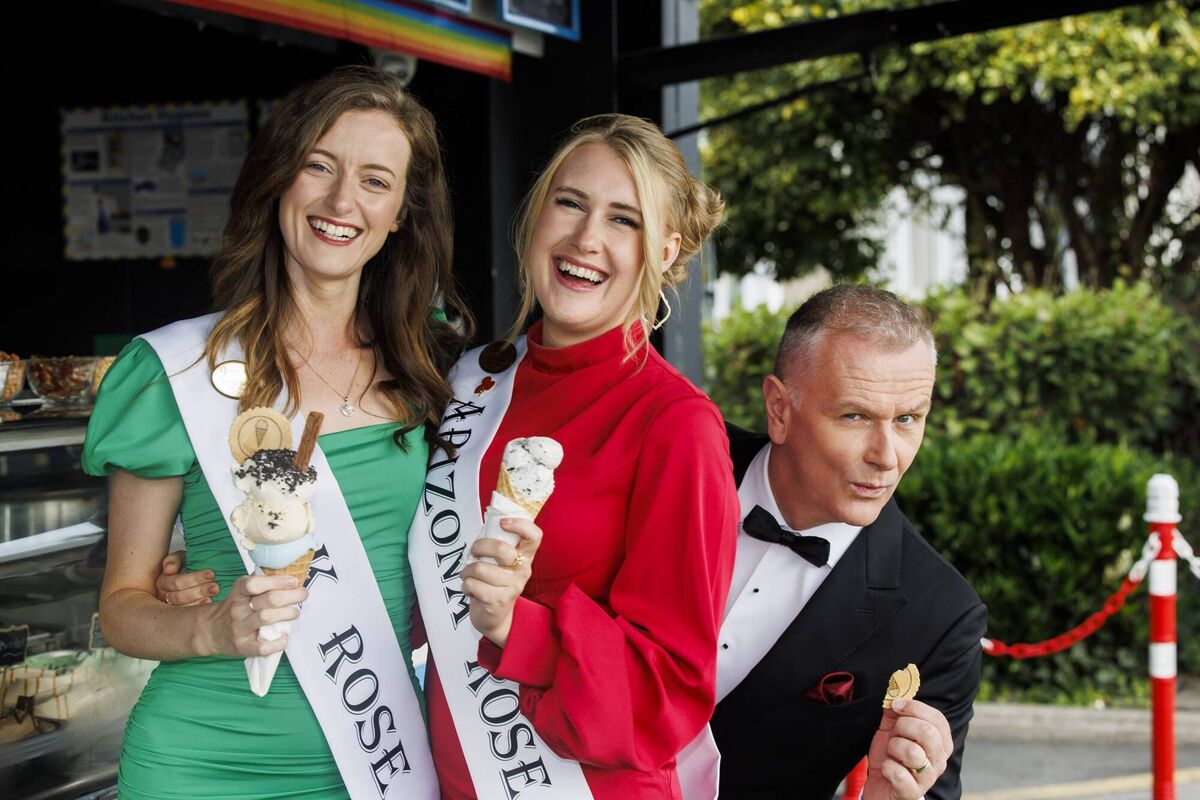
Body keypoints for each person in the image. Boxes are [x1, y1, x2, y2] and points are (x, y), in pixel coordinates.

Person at [84, 66, 469, 799]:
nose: (339, 201)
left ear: (402, 217)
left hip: (375, 755)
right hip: (201, 761)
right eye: (318, 165)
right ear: (278, 181)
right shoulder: (177, 371)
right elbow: (122, 607)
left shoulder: (434, 379)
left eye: (375, 181)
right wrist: (211, 628)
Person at [406, 114, 739, 800]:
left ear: (666, 249)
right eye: (570, 203)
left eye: (625, 219)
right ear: (535, 218)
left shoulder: (676, 426)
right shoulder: (471, 382)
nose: (586, 239)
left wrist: (514, 626)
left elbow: (668, 688)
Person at [681, 285, 986, 800]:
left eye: (908, 419)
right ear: (779, 409)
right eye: (856, 416)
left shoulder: (940, 617)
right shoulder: (679, 454)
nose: (887, 456)